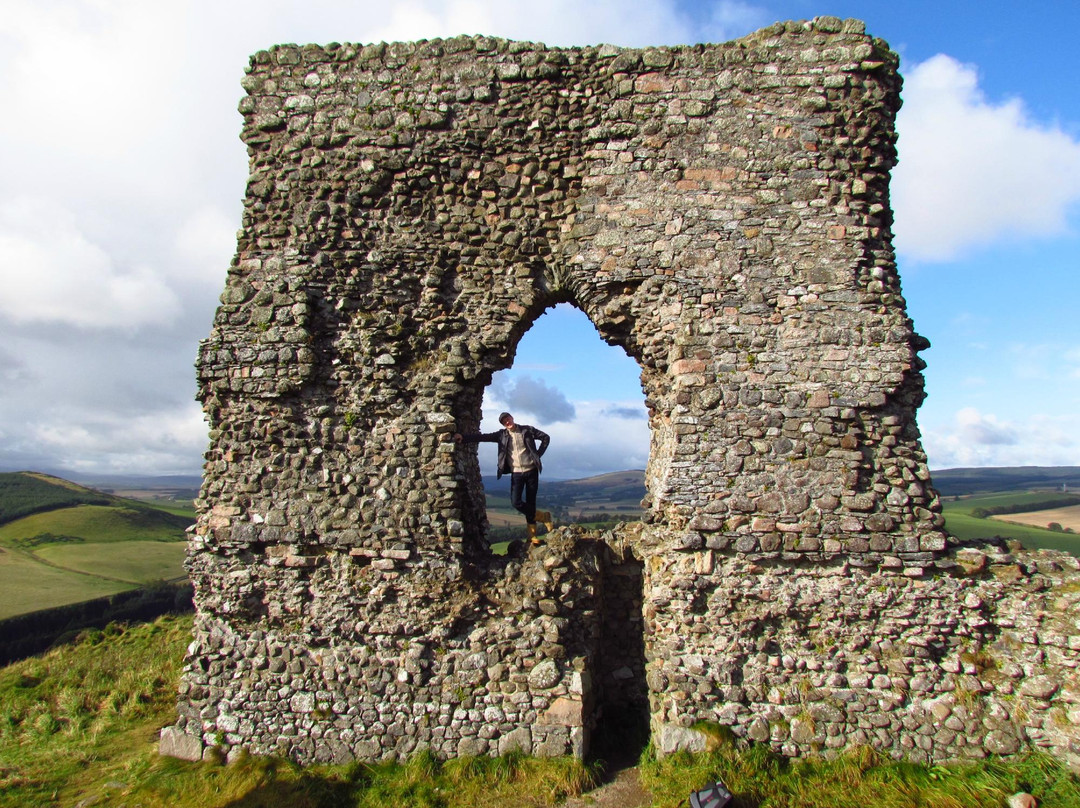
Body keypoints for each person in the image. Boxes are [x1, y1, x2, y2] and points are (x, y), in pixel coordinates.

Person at [454, 412, 553, 544]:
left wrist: (537, 455)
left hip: (532, 471)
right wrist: (464, 437)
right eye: (504, 421)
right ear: (503, 424)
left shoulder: (527, 430)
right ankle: (543, 516)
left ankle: (532, 536)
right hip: (516, 473)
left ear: (512, 418)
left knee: (531, 502)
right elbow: (483, 437)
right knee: (516, 502)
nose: (507, 422)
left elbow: (546, 437)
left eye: (508, 418)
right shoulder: (501, 435)